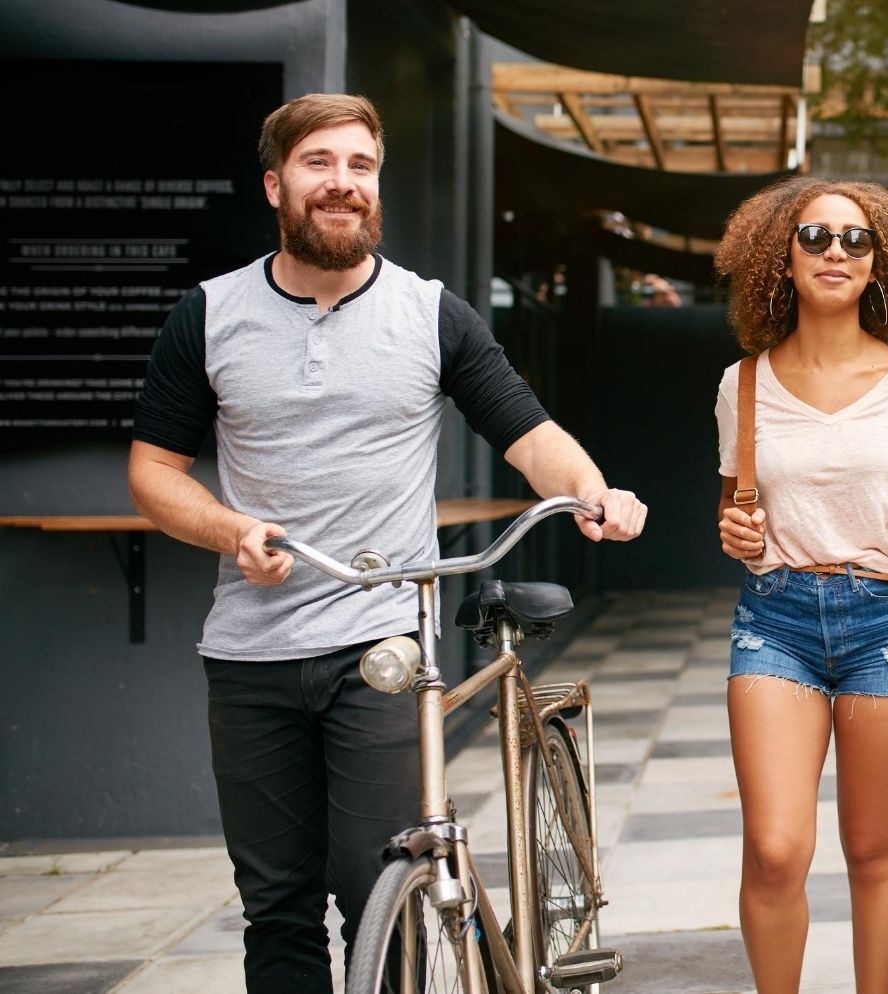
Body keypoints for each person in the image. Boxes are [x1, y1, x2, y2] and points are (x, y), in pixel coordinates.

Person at [126, 93, 646, 994]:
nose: (342, 184)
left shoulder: (431, 314)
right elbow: (152, 474)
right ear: (274, 183)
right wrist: (233, 528)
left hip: (383, 644)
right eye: (320, 163)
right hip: (248, 652)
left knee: (379, 888)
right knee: (276, 907)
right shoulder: (207, 316)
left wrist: (595, 491)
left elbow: (529, 436)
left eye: (360, 166)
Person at [712, 176, 888, 994]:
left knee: (874, 850)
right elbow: (735, 506)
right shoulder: (741, 384)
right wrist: (734, 529)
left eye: (855, 239)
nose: (836, 252)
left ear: (881, 263)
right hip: (777, 623)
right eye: (815, 236)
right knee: (776, 849)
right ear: (782, 256)